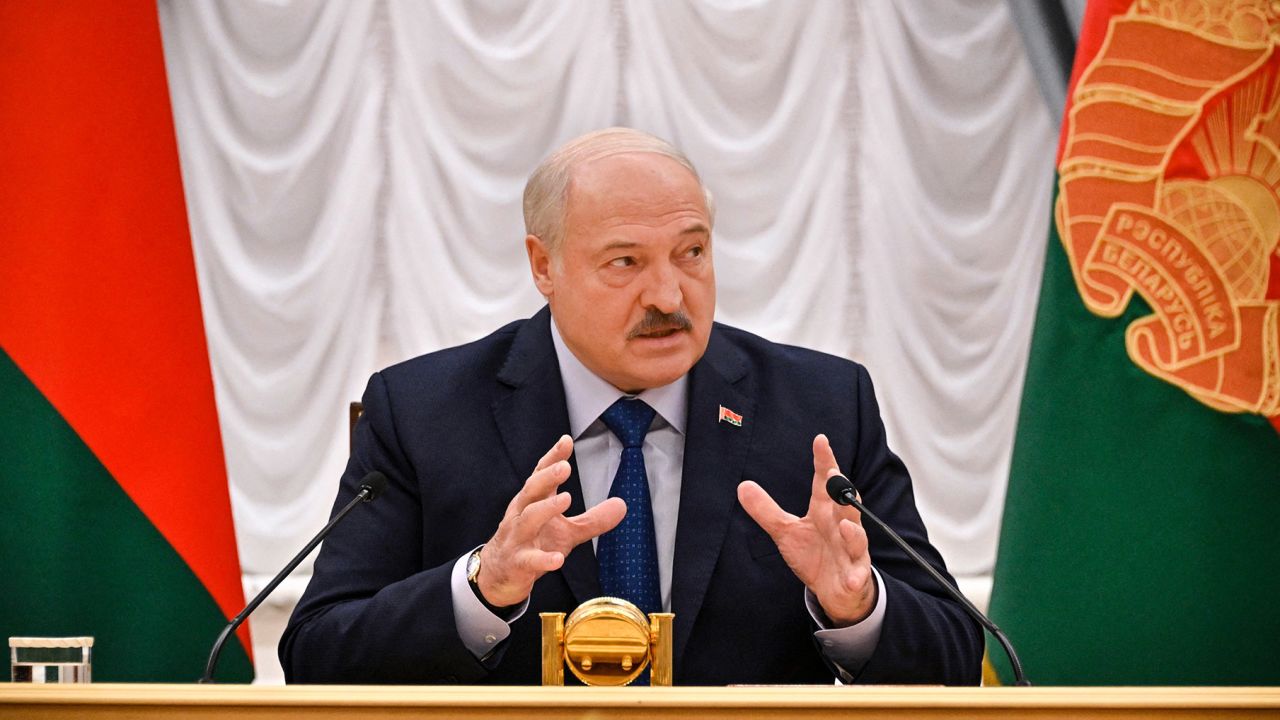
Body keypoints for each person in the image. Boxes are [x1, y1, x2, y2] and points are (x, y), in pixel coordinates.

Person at [280, 128, 982, 685]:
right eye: (626, 263)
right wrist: (482, 588)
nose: (670, 297)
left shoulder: (819, 408)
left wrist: (856, 609)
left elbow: (956, 655)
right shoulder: (424, 411)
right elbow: (316, 655)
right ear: (543, 265)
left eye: (692, 254)